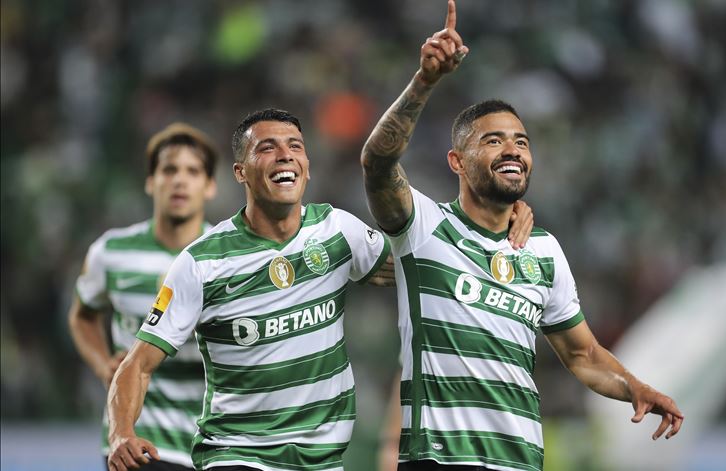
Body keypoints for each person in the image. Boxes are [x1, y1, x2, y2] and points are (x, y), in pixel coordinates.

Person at [106, 108, 535, 471]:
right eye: (267, 148)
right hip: (239, 455)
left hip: (323, 459)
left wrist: (497, 217)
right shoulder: (202, 262)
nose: (285, 156)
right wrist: (121, 431)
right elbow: (137, 365)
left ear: (307, 166)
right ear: (240, 172)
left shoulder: (337, 231)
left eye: (295, 146)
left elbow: (425, 260)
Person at [360, 2, 685, 470]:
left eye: (521, 141)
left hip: (520, 463)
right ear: (457, 162)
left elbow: (584, 353)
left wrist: (635, 386)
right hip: (439, 461)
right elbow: (377, 163)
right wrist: (425, 81)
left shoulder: (544, 250)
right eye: (493, 140)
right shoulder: (424, 228)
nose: (512, 148)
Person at [69, 122, 220, 470]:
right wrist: (102, 362)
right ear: (151, 181)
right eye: (169, 169)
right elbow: (82, 315)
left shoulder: (226, 259)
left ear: (209, 186)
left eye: (193, 171)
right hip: (136, 439)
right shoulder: (111, 252)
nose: (179, 180)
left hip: (209, 442)